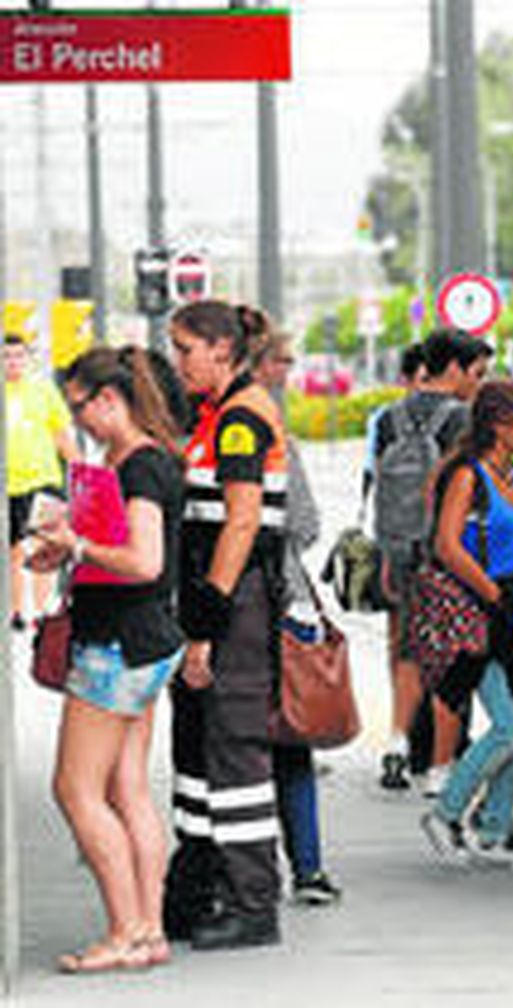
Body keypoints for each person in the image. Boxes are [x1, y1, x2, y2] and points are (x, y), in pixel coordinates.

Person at [32, 347, 185, 973]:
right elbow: (120, 551)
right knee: (127, 789)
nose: (79, 423)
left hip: (118, 645)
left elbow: (144, 561)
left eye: (82, 408)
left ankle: (123, 931)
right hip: (144, 640)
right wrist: (69, 549)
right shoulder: (131, 460)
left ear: (110, 400)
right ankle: (147, 932)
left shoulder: (141, 467)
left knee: (75, 788)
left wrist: (79, 543)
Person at [163, 301, 290, 950]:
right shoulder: (217, 412)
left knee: (234, 748)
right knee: (200, 751)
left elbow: (240, 523)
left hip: (234, 606)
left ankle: (252, 904)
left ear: (220, 348)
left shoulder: (241, 417)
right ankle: (199, 886)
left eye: (185, 349)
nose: (178, 361)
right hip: (223, 601)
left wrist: (205, 624)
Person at [419, 380, 513, 871]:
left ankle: (494, 830)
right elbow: (447, 546)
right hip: (486, 620)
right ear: (500, 424)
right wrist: (495, 595)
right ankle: (446, 812)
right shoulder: (469, 476)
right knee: (509, 727)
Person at [373, 330, 487, 791]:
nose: (479, 383)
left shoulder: (389, 418)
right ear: (455, 369)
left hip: (398, 544)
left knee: (407, 648)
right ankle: (442, 765)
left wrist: (385, 548)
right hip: (442, 550)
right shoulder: (462, 418)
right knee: (451, 652)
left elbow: (378, 482)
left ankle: (399, 740)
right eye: (477, 373)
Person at [251, 332, 342, 907]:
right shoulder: (273, 432)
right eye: (282, 360)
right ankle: (307, 869)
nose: (289, 370)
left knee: (240, 748)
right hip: (284, 606)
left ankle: (251, 874)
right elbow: (305, 524)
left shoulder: (203, 431)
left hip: (245, 608)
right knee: (291, 739)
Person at [6, 332, 78, 629]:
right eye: (6, 357)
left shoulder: (42, 390)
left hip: (44, 478)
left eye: (18, 356)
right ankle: (17, 610)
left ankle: (41, 612)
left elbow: (61, 434)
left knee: (44, 546)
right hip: (10, 485)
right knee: (14, 549)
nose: (12, 362)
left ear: (28, 358)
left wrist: (79, 472)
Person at [362, 343, 427, 503]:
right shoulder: (383, 418)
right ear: (406, 381)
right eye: (425, 380)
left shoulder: (453, 416)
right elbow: (371, 469)